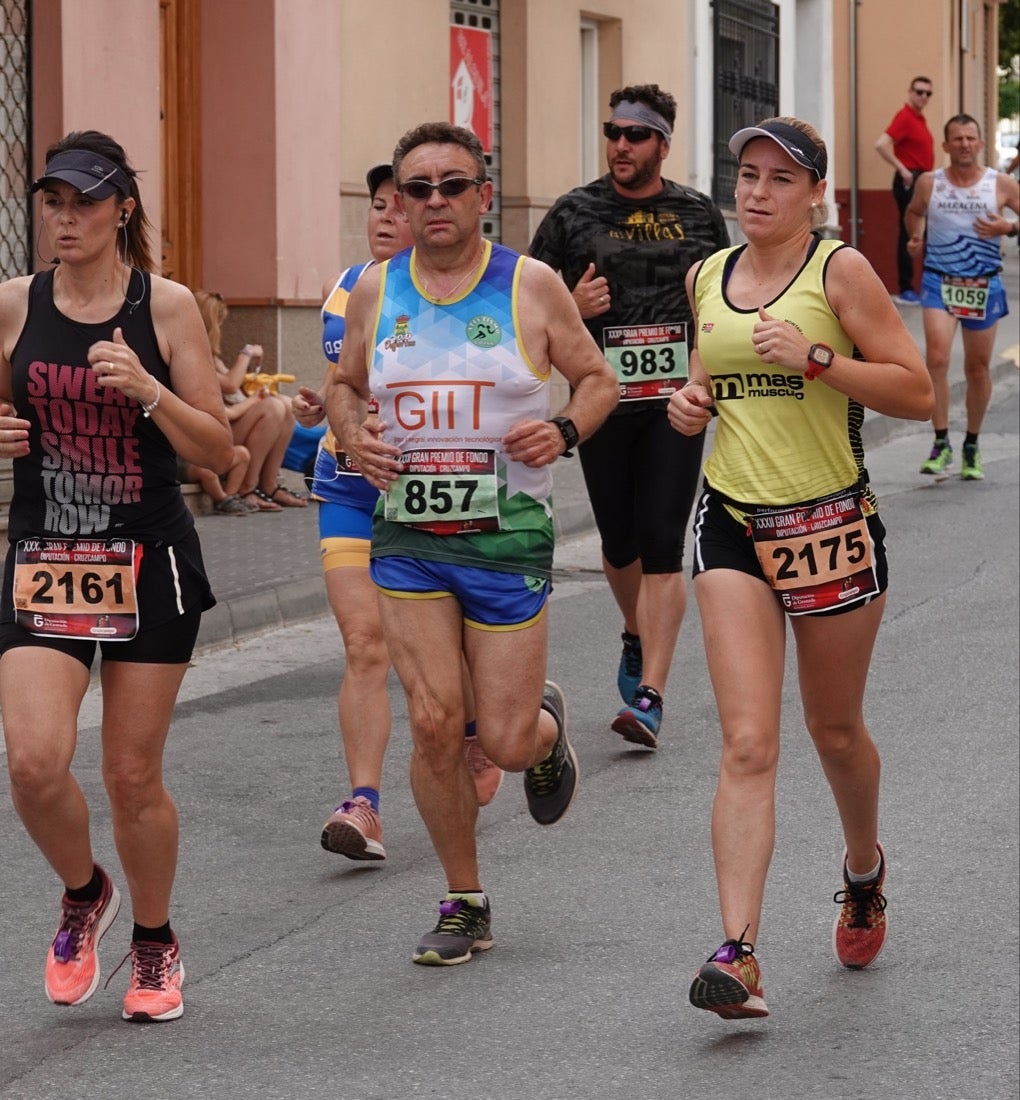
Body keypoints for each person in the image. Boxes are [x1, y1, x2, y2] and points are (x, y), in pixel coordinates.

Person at [325, 122, 618, 965]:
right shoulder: (377, 290)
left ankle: (545, 738)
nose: (435, 201)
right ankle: (464, 901)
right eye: (418, 189)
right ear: (400, 202)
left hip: (507, 542)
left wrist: (562, 430)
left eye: (453, 185)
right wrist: (355, 438)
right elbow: (343, 388)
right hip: (408, 540)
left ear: (483, 195)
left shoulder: (529, 285)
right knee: (433, 722)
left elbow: (600, 378)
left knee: (506, 737)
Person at [667, 118, 933, 1019]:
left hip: (829, 523)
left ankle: (864, 868)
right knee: (747, 740)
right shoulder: (707, 273)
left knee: (835, 732)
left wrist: (819, 358)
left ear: (813, 193)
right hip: (734, 520)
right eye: (746, 175)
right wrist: (690, 402)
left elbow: (917, 391)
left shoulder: (839, 272)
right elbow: (705, 375)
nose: (757, 192)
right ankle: (737, 952)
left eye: (780, 179)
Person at [0, 130, 234, 1021]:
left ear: (121, 210)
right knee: (31, 762)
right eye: (53, 203)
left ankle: (154, 941)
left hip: (147, 559)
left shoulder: (165, 308)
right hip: (47, 560)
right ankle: (81, 891)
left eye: (84, 203)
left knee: (132, 776)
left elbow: (215, 450)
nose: (65, 219)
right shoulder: (15, 304)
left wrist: (148, 389)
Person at [291, 163, 503, 861]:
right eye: (377, 205)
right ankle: (364, 804)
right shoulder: (347, 289)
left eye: (397, 205)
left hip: (439, 491)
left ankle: (485, 726)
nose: (385, 217)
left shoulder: (460, 293)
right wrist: (321, 406)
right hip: (351, 485)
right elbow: (343, 377)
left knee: (457, 646)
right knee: (364, 643)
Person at [529, 84, 729, 750]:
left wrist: (705, 383)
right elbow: (527, 305)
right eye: (613, 132)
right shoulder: (573, 212)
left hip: (675, 402)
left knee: (664, 545)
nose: (620, 145)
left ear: (662, 144)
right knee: (620, 544)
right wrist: (572, 306)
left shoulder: (698, 215)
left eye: (635, 135)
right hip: (603, 400)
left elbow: (719, 304)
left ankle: (651, 696)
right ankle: (636, 630)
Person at [905, 113, 1020, 481]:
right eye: (958, 139)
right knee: (936, 359)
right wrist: (915, 236)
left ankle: (971, 442)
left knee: (977, 368)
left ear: (981, 144)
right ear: (946, 145)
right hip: (940, 281)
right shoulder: (929, 183)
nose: (965, 144)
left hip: (983, 283)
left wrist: (1009, 227)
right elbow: (913, 212)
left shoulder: (999, 183)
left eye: (971, 138)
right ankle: (941, 442)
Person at [193, 290, 307, 512]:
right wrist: (246, 354)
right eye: (219, 322)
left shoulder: (211, 355)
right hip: (207, 435)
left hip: (222, 425)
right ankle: (247, 488)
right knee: (272, 408)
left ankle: (269, 485)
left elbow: (232, 385)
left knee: (285, 404)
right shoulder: (191, 352)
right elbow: (229, 384)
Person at [874, 77, 935, 305]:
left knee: (923, 231)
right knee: (910, 231)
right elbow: (881, 143)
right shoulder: (905, 116)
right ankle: (907, 288)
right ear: (910, 92)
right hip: (911, 179)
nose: (923, 97)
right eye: (919, 92)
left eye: (928, 94)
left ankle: (921, 286)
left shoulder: (919, 119)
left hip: (923, 179)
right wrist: (903, 169)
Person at [179, 443, 253, 516]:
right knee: (207, 471)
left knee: (242, 453)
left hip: (207, 455)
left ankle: (231, 496)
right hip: (182, 463)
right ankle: (222, 500)